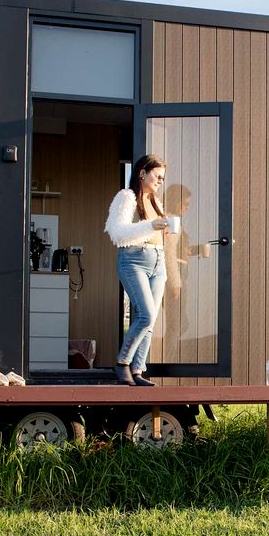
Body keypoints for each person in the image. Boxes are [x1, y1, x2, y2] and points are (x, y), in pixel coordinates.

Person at [104, 154, 171, 386]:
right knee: (146, 315)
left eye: (163, 178)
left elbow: (153, 233)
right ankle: (122, 363)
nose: (161, 181)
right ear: (142, 173)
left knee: (150, 321)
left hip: (158, 262)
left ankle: (138, 370)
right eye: (157, 176)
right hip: (133, 260)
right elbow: (117, 233)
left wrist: (163, 229)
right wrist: (151, 226)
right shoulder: (126, 197)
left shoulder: (156, 202)